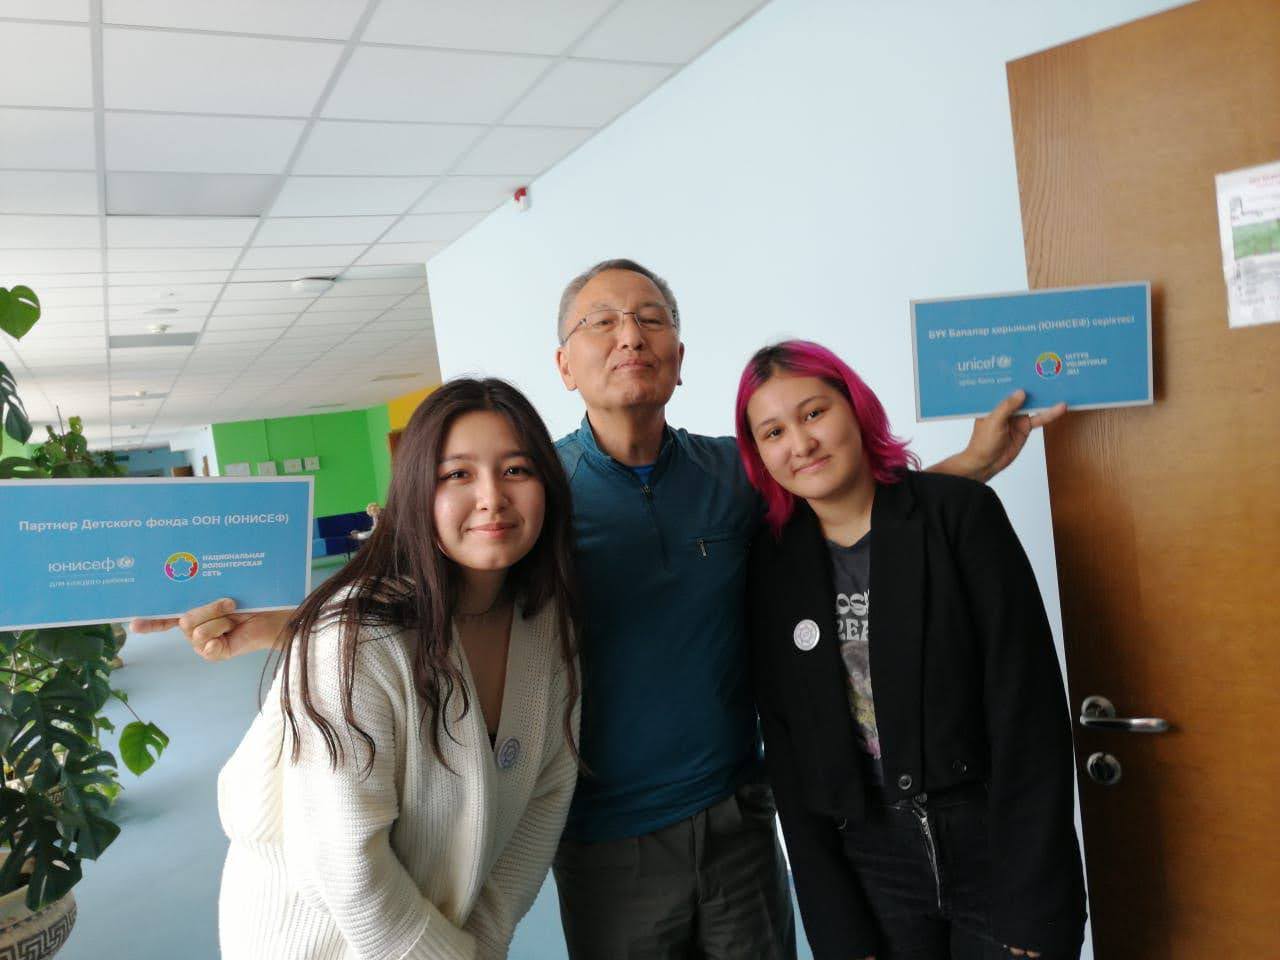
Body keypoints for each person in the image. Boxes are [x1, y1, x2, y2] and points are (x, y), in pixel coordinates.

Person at [136, 260, 1063, 960]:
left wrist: (970, 467)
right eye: (602, 322)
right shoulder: (539, 496)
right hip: (604, 831)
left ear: (679, 357)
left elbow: (846, 512)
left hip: (739, 814)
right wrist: (284, 622)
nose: (630, 334)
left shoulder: (729, 476)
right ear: (565, 364)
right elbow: (422, 592)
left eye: (650, 318)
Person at [735, 340, 1085, 960]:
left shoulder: (960, 516)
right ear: (759, 454)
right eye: (773, 431)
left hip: (992, 851)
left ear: (856, 408)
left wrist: (1039, 904)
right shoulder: (773, 563)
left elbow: (1029, 716)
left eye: (814, 413)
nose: (800, 443)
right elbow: (788, 755)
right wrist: (837, 929)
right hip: (870, 866)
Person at [215, 378, 582, 959]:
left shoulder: (545, 624)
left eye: (516, 470)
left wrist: (482, 943)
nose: (492, 497)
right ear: (416, 493)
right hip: (316, 939)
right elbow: (345, 862)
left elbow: (545, 801)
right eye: (456, 474)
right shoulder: (355, 639)